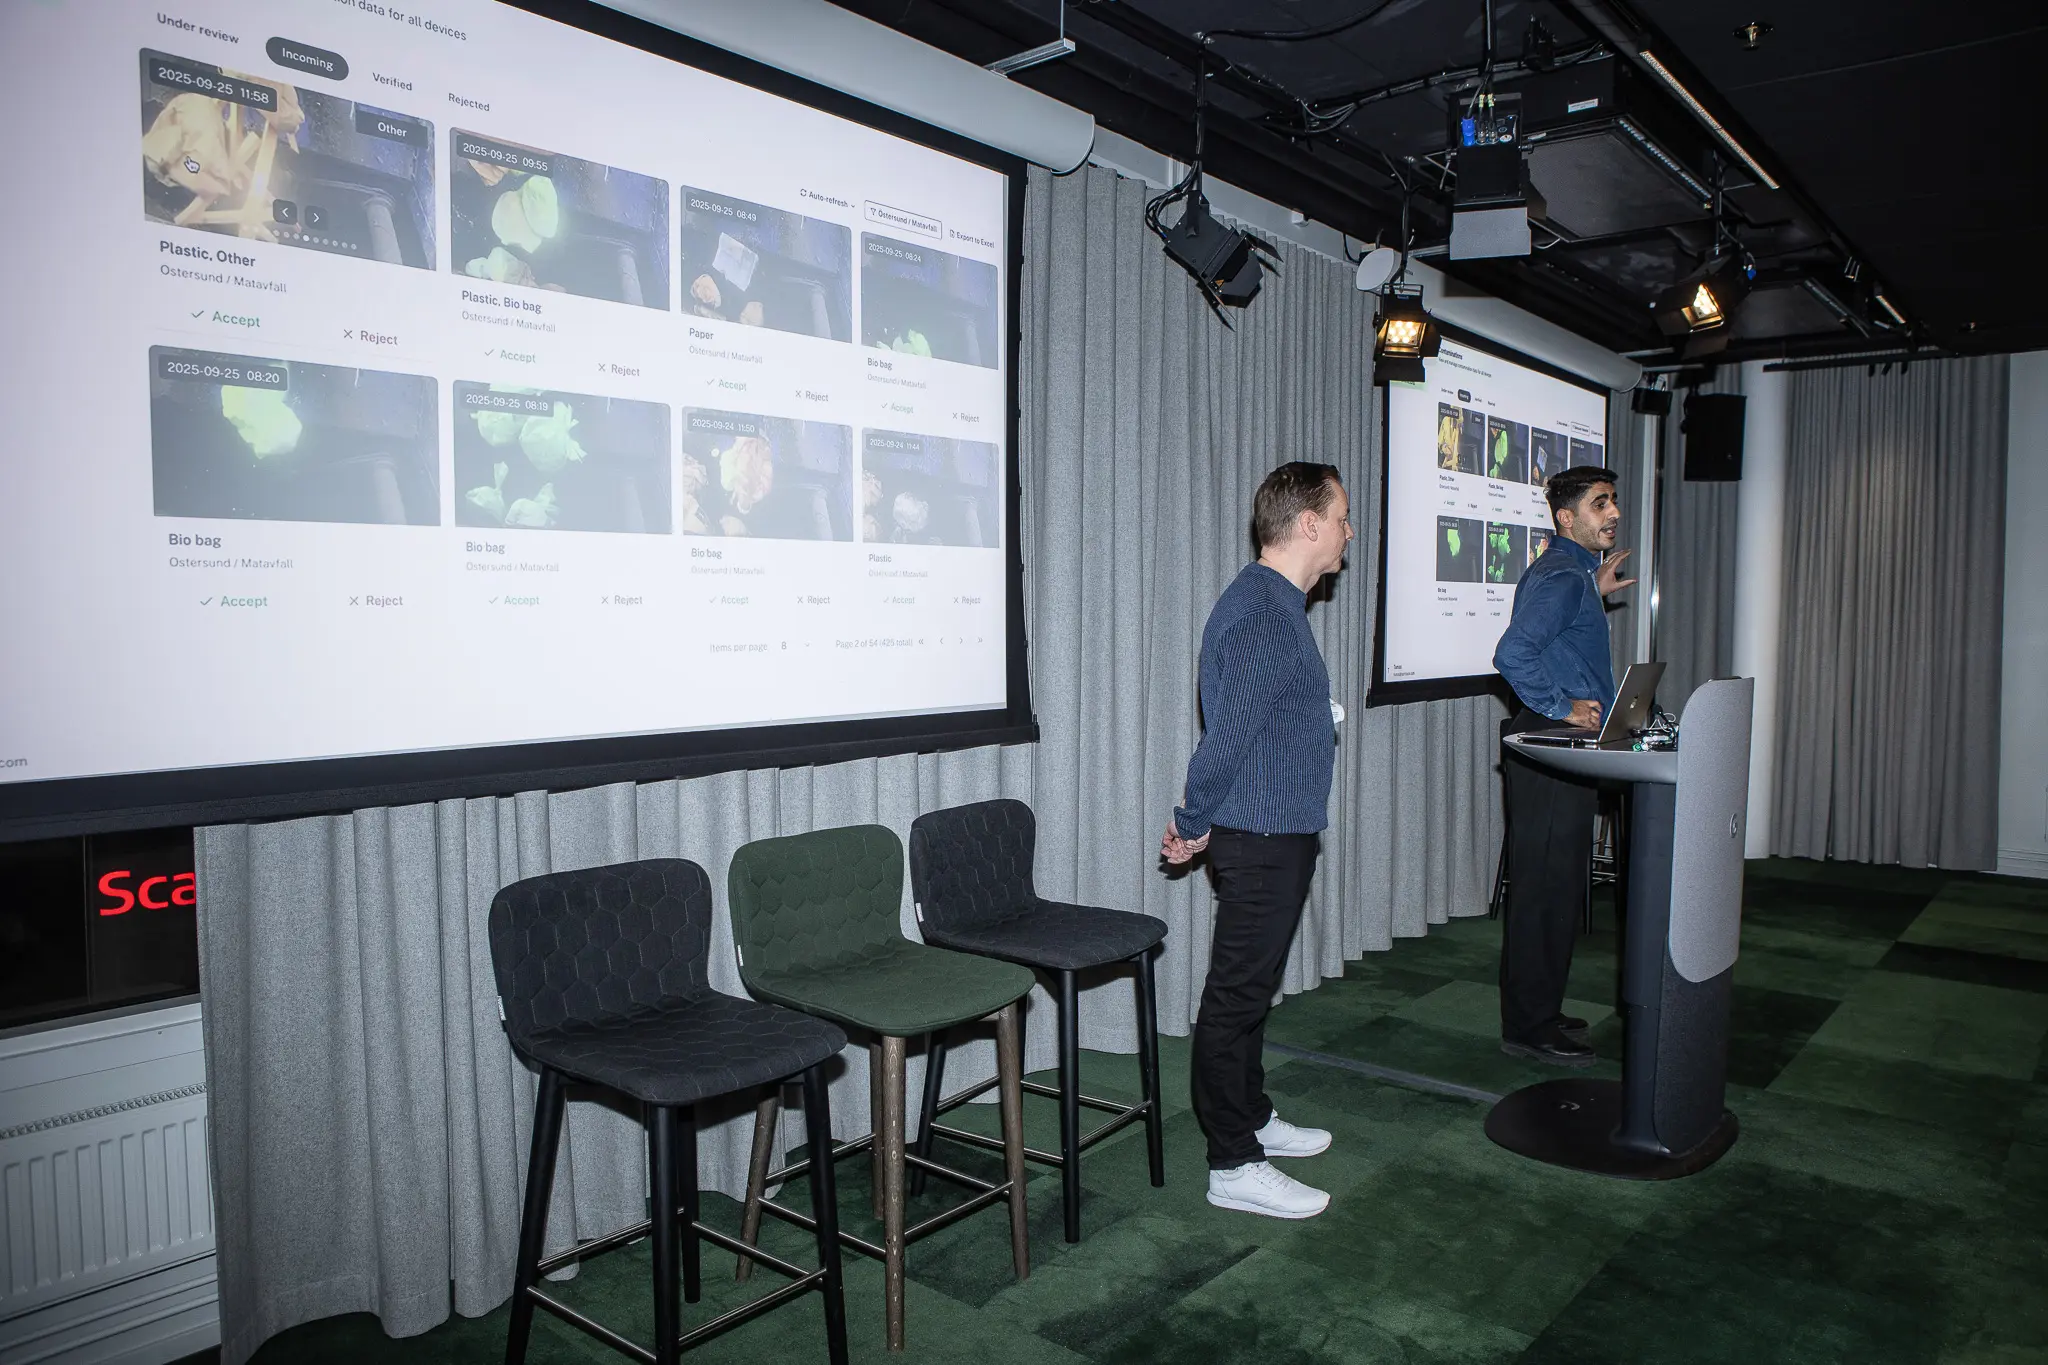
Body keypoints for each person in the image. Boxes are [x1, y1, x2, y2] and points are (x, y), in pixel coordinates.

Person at [1162, 461, 1352, 1220]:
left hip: (1276, 828)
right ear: (1307, 524)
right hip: (1262, 835)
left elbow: (1261, 721)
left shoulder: (1277, 606)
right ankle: (1233, 1161)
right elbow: (1225, 740)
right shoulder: (1263, 614)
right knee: (1235, 997)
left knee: (1251, 990)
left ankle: (1251, 1115)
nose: (1347, 532)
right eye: (1340, 517)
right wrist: (1192, 819)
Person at [1491, 465, 1636, 1066]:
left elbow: (1555, 642)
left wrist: (1591, 588)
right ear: (1566, 518)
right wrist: (1561, 707)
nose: (1614, 513)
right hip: (1553, 742)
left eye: (1613, 501)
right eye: (1601, 504)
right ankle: (1529, 1026)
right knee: (1545, 889)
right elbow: (1512, 653)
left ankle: (1541, 1010)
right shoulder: (1561, 576)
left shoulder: (1570, 573)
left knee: (1555, 886)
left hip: (1559, 746)